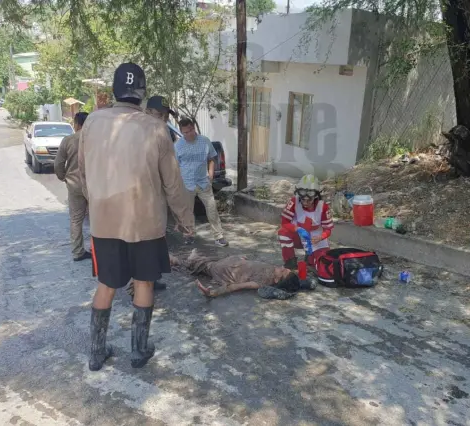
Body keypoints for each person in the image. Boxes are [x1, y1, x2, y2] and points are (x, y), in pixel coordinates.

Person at [79, 62, 195, 372]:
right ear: (142, 93)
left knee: (106, 284)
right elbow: (172, 183)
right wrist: (186, 219)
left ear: (115, 90)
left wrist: (96, 203)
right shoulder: (156, 127)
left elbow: (83, 171)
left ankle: (96, 353)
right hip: (145, 224)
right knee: (144, 283)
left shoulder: (91, 123)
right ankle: (139, 351)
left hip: (104, 222)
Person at [173, 249, 316, 299]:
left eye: (283, 271)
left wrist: (212, 293)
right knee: (206, 261)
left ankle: (178, 260)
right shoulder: (275, 272)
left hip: (222, 270)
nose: (282, 267)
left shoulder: (261, 282)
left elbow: (235, 287)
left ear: (278, 279)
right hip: (235, 261)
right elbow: (294, 276)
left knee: (195, 265)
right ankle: (194, 257)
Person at [175, 117, 228, 247]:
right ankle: (189, 235)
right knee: (187, 212)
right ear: (182, 132)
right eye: (185, 132)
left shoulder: (205, 141)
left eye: (190, 130)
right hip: (186, 184)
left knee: (212, 209)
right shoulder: (177, 145)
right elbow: (175, 165)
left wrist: (210, 174)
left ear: (193, 128)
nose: (188, 134)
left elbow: (211, 158)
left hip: (203, 183)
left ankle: (219, 236)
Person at [54, 112, 91, 261]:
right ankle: (101, 251)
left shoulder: (68, 140)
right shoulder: (96, 140)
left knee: (76, 219)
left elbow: (58, 164)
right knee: (97, 218)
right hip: (94, 185)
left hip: (75, 184)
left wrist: (64, 177)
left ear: (76, 124)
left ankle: (78, 251)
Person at [277, 175, 334, 270]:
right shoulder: (294, 201)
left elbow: (328, 230)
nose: (305, 202)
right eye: (303, 199)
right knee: (283, 233)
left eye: (309, 200)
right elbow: (285, 222)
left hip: (315, 238)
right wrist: (297, 229)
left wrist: (321, 237)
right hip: (299, 235)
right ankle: (290, 261)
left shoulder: (323, 207)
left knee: (321, 263)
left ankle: (310, 257)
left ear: (316, 196)